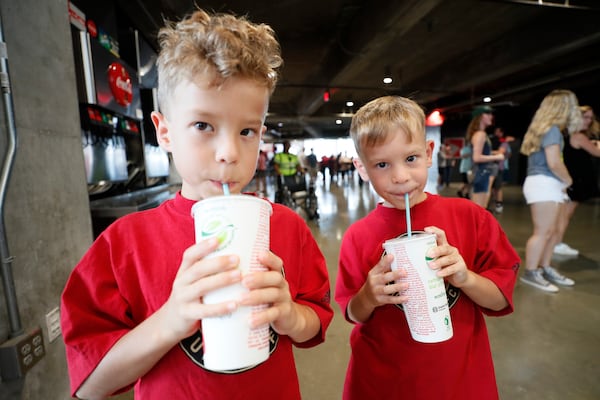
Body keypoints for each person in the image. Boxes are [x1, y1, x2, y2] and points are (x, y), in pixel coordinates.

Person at [60, 9, 333, 399]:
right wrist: (172, 319)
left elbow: (315, 324)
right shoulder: (124, 244)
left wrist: (289, 315)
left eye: (246, 131)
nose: (228, 153)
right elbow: (90, 385)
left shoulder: (287, 227)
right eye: (203, 126)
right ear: (165, 131)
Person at [335, 96, 520, 399]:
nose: (400, 177)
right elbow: (354, 313)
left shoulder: (471, 217)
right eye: (382, 164)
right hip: (382, 380)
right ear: (362, 168)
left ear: (429, 153)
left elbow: (500, 301)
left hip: (458, 378)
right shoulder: (357, 236)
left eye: (411, 159)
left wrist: (464, 277)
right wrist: (369, 295)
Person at [519, 89, 581, 293]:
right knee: (543, 232)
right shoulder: (552, 130)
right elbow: (554, 162)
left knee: (553, 232)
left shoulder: (548, 129)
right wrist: (569, 179)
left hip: (549, 184)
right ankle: (531, 272)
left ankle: (544, 267)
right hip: (544, 182)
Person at [554, 105, 600, 256]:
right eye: (585, 117)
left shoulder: (569, 135)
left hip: (573, 180)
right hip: (575, 181)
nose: (588, 121)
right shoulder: (579, 136)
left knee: (564, 214)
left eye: (590, 118)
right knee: (565, 215)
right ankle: (556, 244)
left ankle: (556, 243)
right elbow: (597, 153)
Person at [466, 105, 504, 209]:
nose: (491, 116)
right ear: (481, 117)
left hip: (482, 173)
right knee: (479, 210)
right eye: (488, 113)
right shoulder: (480, 134)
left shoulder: (480, 134)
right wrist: (497, 157)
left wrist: (493, 153)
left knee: (480, 209)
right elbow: (476, 157)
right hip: (481, 173)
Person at [490, 126, 514, 213]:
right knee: (491, 188)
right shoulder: (492, 141)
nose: (496, 133)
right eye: (495, 131)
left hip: (499, 167)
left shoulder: (504, 143)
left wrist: (488, 152)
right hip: (490, 167)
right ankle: (491, 204)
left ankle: (499, 204)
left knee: (498, 187)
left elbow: (501, 152)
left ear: (501, 133)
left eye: (498, 132)